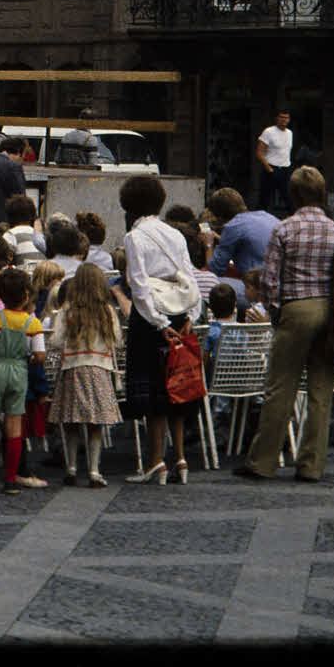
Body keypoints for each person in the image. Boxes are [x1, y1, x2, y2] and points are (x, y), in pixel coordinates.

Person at [234, 164, 334, 484]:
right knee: (321, 390)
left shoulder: (285, 228)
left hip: (296, 308)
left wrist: (275, 311)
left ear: (293, 194)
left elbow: (269, 280)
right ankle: (311, 465)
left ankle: (263, 461)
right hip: (329, 310)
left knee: (281, 387)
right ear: (322, 193)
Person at [113, 172, 203, 486]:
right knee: (177, 388)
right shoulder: (174, 234)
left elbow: (138, 285)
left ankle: (156, 461)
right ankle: (180, 457)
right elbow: (188, 275)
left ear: (129, 205)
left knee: (153, 393)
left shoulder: (134, 237)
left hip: (152, 317)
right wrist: (191, 314)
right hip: (180, 313)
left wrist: (158, 321)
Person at [45, 262, 126, 487]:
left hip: (73, 368)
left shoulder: (68, 310)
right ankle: (94, 471)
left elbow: (56, 341)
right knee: (95, 423)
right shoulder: (107, 311)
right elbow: (117, 341)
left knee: (72, 421)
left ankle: (71, 468)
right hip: (99, 369)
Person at [0, 267, 49, 493]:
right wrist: (31, 358)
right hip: (19, 370)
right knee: (14, 423)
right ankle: (11, 479)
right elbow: (40, 355)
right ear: (26, 295)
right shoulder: (33, 323)